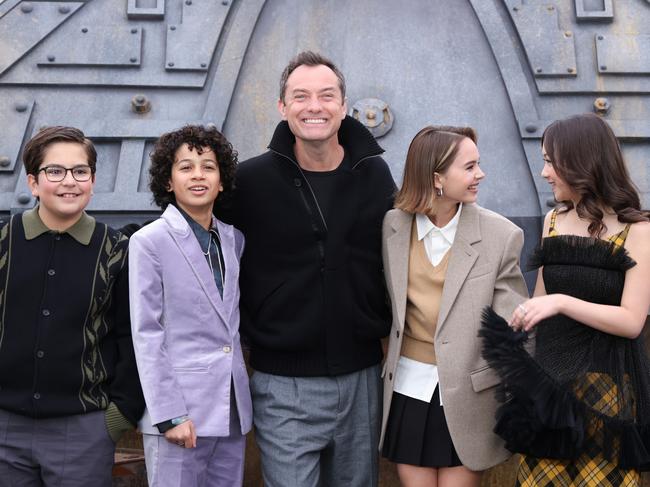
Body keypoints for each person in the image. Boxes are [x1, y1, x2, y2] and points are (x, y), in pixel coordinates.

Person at [215, 51, 396, 486]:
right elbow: (192, 226)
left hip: (362, 379)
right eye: (301, 96)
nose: (314, 106)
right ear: (282, 107)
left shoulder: (374, 174)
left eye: (326, 95)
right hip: (283, 383)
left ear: (343, 104)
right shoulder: (251, 180)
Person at [481, 113, 650, 486]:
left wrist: (561, 302)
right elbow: (541, 300)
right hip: (550, 386)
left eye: (549, 161)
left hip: (604, 394)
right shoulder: (553, 221)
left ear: (581, 161)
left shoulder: (638, 230)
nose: (544, 172)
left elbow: (632, 320)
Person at [379, 125, 528, 486]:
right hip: (408, 389)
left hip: (468, 397)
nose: (481, 174)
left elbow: (514, 322)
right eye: (470, 166)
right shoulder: (393, 225)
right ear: (437, 178)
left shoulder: (501, 234)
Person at [0, 126, 144, 486]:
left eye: (80, 172)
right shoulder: (4, 242)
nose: (69, 181)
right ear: (33, 183)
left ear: (93, 181)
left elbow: (134, 338)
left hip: (83, 432)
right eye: (55, 171)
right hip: (4, 429)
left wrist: (119, 416)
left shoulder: (117, 251)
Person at [129, 125, 252, 487]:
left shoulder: (233, 240)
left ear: (222, 180)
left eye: (208, 166)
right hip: (180, 415)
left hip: (230, 411)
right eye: (185, 167)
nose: (198, 175)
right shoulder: (149, 242)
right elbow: (147, 332)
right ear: (168, 182)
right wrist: (169, 415)